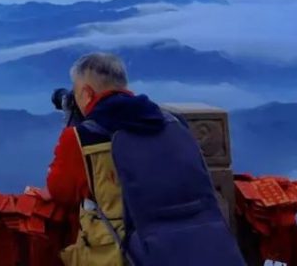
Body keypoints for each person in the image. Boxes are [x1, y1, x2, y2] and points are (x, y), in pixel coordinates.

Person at [46, 52, 243, 266]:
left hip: (121, 253)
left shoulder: (81, 138)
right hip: (200, 247)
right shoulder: (173, 122)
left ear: (86, 93)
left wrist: (72, 127)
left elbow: (61, 192)